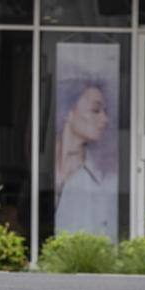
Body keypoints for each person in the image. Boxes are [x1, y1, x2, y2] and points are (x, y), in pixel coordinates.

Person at [54, 82, 118, 240]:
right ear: (68, 112)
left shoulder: (106, 180)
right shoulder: (39, 168)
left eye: (105, 111)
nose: (104, 119)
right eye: (95, 110)